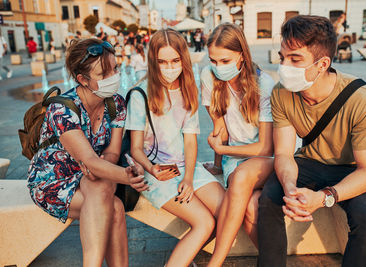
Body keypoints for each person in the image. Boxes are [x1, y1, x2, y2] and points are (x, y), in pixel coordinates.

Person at [257, 15, 366, 267]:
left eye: (295, 59)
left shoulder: (362, 97)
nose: (284, 66)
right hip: (309, 163)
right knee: (270, 198)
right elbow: (283, 153)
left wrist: (324, 197)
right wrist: (291, 187)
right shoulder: (281, 93)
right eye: (282, 57)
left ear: (322, 63)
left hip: (351, 168)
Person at [27, 38, 148, 267]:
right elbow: (91, 160)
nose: (113, 77)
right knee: (114, 207)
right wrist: (125, 175)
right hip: (53, 180)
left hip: (94, 175)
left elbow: (112, 153)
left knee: (109, 197)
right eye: (104, 74)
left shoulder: (116, 104)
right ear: (82, 79)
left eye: (115, 69)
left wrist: (101, 168)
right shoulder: (62, 109)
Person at [126, 28, 225, 267]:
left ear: (183, 59)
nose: (169, 67)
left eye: (174, 60)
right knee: (205, 222)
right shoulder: (141, 94)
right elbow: (136, 148)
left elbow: (190, 140)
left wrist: (189, 178)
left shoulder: (188, 90)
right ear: (153, 62)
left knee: (228, 213)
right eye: (162, 61)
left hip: (187, 168)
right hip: (156, 173)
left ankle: (185, 256)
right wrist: (152, 168)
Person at [201, 23, 275, 266]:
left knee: (242, 177)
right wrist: (218, 164)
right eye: (213, 60)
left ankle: (215, 262)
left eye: (225, 61)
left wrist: (222, 150)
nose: (218, 67)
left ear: (242, 55)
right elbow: (219, 128)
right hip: (235, 159)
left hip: (265, 160)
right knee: (251, 207)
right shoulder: (207, 77)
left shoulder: (265, 85)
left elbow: (265, 147)